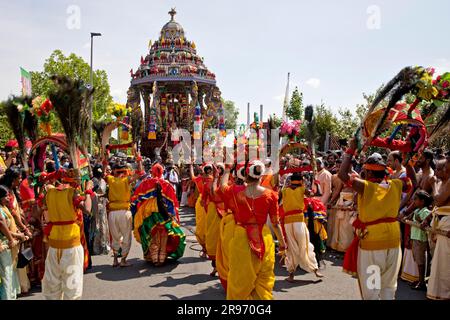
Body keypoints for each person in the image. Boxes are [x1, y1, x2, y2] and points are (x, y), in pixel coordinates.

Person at [339, 138, 413, 300]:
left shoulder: (366, 187)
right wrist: (408, 161)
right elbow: (412, 182)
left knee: (372, 288)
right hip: (394, 241)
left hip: (373, 243)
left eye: (365, 171)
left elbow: (342, 174)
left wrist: (350, 151)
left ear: (370, 172)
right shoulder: (396, 184)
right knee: (388, 287)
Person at [219, 160, 286, 300]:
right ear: (261, 175)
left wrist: (227, 170)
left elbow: (222, 186)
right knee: (262, 279)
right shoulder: (271, 195)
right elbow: (276, 223)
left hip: (241, 238)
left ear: (245, 176)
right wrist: (283, 244)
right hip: (263, 238)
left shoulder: (235, 191)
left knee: (240, 278)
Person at [41, 169, 87, 300]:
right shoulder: (73, 193)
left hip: (54, 242)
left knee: (53, 282)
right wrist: (89, 192)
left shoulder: (48, 193)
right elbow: (88, 210)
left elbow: (38, 211)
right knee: (72, 283)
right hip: (71, 242)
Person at [131, 163, 185, 266]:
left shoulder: (146, 183)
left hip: (148, 214)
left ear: (152, 171)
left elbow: (136, 199)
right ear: (162, 172)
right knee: (164, 235)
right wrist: (174, 216)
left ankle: (154, 258)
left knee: (152, 236)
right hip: (163, 214)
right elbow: (172, 203)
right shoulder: (167, 184)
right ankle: (161, 258)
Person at [280, 172, 323, 282]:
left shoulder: (283, 191)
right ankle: (315, 270)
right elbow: (319, 193)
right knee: (305, 245)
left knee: (291, 247)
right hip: (299, 221)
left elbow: (276, 201)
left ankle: (291, 275)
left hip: (288, 222)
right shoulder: (303, 189)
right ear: (301, 181)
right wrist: (317, 183)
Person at [104, 152, 143, 268]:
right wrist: (138, 158)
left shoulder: (111, 179)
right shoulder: (126, 180)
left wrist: (105, 160)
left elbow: (104, 172)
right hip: (124, 212)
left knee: (115, 236)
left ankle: (115, 260)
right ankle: (123, 260)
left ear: (115, 171)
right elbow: (140, 173)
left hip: (112, 213)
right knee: (126, 236)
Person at [423, 159, 450, 300]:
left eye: (444, 166)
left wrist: (433, 185)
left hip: (447, 226)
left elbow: (438, 200)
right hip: (439, 224)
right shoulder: (443, 183)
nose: (442, 169)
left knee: (444, 263)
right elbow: (436, 206)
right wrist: (427, 219)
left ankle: (443, 293)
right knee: (439, 261)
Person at [402, 191, 432, 291]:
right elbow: (408, 218)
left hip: (420, 239)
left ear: (422, 201)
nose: (413, 201)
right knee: (418, 261)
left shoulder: (425, 212)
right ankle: (420, 280)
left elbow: (426, 225)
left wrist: (419, 220)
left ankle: (422, 282)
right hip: (415, 238)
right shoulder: (417, 210)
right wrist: (405, 218)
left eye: (416, 199)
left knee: (421, 261)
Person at [0, 186, 24, 300]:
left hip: (6, 244)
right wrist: (11, 239)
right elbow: (1, 223)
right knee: (6, 274)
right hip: (3, 246)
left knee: (7, 273)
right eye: (5, 196)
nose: (8, 198)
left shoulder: (3, 207)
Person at [190, 163, 214, 258]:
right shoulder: (214, 179)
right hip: (211, 203)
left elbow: (192, 176)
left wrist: (191, 166)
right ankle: (211, 251)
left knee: (201, 227)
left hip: (201, 203)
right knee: (211, 226)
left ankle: (204, 249)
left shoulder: (199, 179)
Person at [90, 165, 110, 255]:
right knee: (96, 225)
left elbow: (105, 192)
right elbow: (90, 192)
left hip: (103, 205)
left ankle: (104, 246)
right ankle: (95, 248)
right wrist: (98, 195)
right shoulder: (92, 181)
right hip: (94, 205)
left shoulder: (103, 181)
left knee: (103, 225)